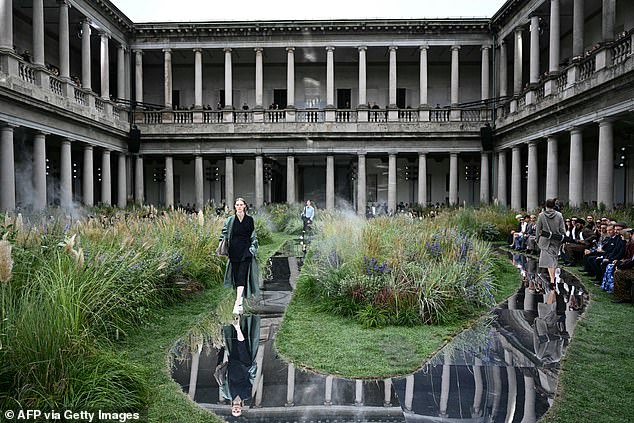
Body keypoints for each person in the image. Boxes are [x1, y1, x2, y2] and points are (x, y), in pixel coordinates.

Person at [219, 197, 259, 314]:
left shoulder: (249, 220)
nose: (239, 206)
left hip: (246, 252)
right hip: (233, 252)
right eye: (237, 205)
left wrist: (252, 250)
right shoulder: (230, 220)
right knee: (236, 277)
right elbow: (224, 234)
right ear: (235, 207)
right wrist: (222, 245)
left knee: (242, 276)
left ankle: (236, 304)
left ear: (245, 206)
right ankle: (240, 300)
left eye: (241, 204)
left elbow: (253, 236)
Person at [216, 315, 260, 417]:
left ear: (232, 408)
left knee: (235, 343)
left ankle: (236, 321)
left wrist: (220, 368)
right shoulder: (247, 395)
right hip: (245, 366)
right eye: (238, 411)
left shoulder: (226, 395)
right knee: (242, 346)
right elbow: (251, 380)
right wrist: (253, 368)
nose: (236, 409)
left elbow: (222, 382)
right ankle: (238, 327)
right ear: (241, 408)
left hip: (233, 366)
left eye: (234, 411)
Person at [535, 198, 565, 287]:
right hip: (556, 240)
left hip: (545, 240)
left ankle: (552, 279)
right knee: (553, 258)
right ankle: (552, 278)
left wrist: (537, 239)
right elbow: (562, 229)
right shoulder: (559, 215)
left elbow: (538, 228)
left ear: (546, 206)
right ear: (554, 206)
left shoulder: (541, 215)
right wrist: (563, 238)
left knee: (549, 260)